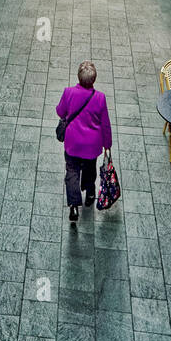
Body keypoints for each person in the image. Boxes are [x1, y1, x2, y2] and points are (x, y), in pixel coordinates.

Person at [55, 61, 112, 223]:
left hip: (73, 143)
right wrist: (107, 144)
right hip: (92, 146)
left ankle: (74, 205)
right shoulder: (100, 98)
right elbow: (105, 124)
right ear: (94, 80)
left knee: (72, 171)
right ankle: (90, 193)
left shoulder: (69, 92)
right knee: (89, 168)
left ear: (78, 78)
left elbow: (60, 112)